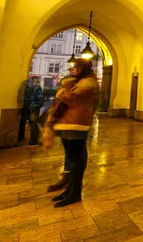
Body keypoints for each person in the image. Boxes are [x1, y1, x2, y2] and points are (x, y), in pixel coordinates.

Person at [47, 59, 99, 207]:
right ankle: (70, 190)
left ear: (83, 68)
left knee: (76, 160)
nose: (73, 69)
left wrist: (64, 89)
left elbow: (70, 97)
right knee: (72, 159)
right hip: (69, 123)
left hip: (76, 124)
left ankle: (75, 193)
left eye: (76, 67)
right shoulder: (80, 81)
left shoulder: (88, 83)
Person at [44, 77, 76, 192]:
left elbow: (58, 110)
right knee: (70, 153)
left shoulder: (67, 96)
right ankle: (70, 177)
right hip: (67, 126)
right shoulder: (65, 95)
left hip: (72, 126)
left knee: (73, 154)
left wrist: (51, 123)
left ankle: (72, 179)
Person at [19, 76, 44, 146]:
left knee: (23, 122)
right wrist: (39, 105)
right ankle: (33, 141)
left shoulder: (25, 88)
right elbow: (40, 98)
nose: (37, 81)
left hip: (25, 107)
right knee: (33, 124)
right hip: (34, 107)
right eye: (37, 80)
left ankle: (20, 137)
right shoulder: (37, 88)